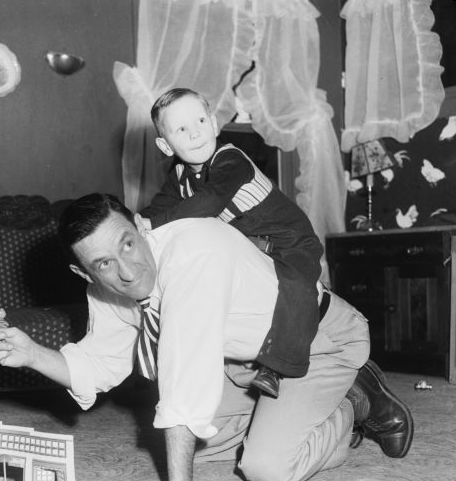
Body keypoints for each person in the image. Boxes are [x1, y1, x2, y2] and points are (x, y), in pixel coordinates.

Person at [0, 193, 414, 481]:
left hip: (315, 341)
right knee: (201, 447)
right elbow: (100, 364)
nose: (128, 271)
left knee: (268, 467)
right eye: (104, 264)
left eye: (128, 245)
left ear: (139, 225)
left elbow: (184, 368)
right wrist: (32, 354)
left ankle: (356, 398)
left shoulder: (195, 253)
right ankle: (294, 417)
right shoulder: (106, 288)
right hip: (247, 362)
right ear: (85, 272)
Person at [139, 88, 324, 399]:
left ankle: (279, 365)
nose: (195, 132)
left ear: (213, 123)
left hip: (289, 238)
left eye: (199, 120)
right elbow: (159, 209)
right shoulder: (180, 174)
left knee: (296, 282)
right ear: (165, 145)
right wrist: (137, 224)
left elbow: (209, 203)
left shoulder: (231, 159)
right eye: (181, 129)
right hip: (249, 244)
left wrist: (152, 224)